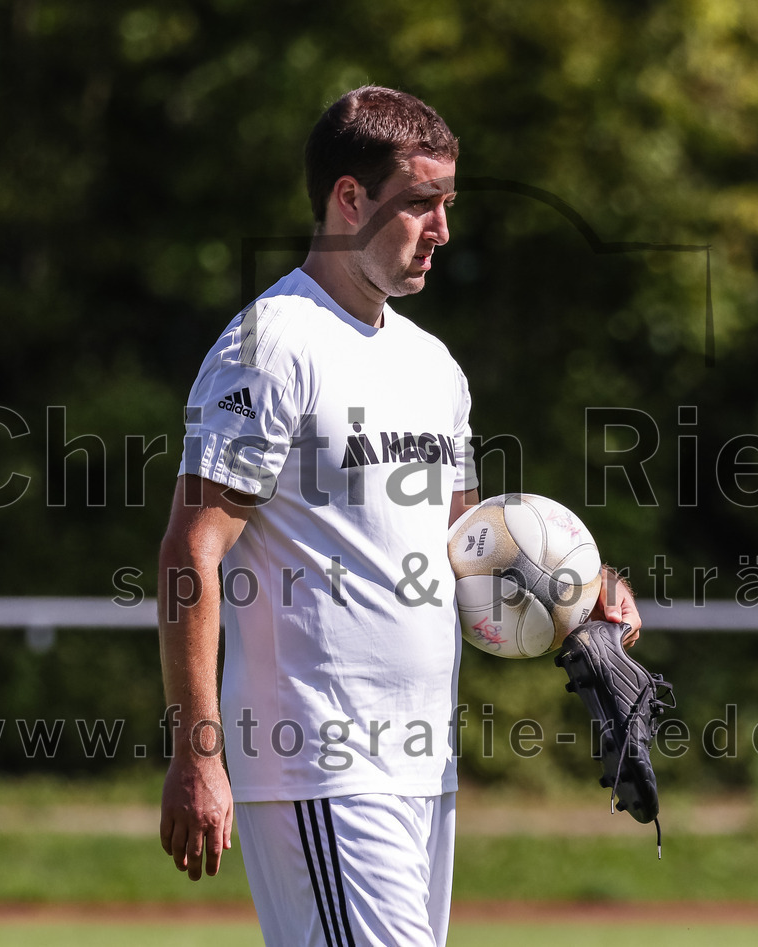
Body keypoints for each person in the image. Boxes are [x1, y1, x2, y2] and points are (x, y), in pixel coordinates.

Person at [157, 85, 640, 947]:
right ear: (349, 199)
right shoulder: (272, 345)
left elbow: (469, 546)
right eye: (420, 202)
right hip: (317, 756)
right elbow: (190, 550)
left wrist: (583, 593)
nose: (443, 229)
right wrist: (199, 751)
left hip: (423, 765)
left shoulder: (433, 366)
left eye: (447, 203)